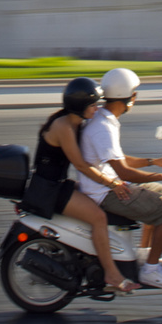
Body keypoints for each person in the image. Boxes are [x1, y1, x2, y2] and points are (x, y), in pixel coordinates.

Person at [22, 76, 140, 295]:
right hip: (50, 189)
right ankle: (111, 274)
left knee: (93, 202)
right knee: (98, 217)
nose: (97, 108)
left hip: (57, 184)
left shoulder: (75, 123)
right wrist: (112, 183)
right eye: (93, 105)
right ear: (79, 106)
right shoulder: (64, 126)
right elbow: (82, 165)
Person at [79, 67, 162, 290]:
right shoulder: (103, 127)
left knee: (160, 192)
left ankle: (145, 254)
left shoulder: (104, 118)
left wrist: (152, 161)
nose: (136, 97)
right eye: (135, 93)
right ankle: (151, 271)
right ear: (128, 97)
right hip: (105, 193)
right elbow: (124, 172)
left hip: (107, 186)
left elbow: (117, 159)